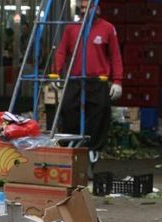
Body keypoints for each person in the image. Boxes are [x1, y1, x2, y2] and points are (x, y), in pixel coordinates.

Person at [54, 2, 123, 152]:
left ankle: (92, 151)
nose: (84, 11)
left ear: (97, 9)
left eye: (88, 8)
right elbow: (61, 52)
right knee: (67, 109)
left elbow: (115, 56)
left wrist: (118, 81)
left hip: (98, 81)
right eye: (82, 8)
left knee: (100, 113)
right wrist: (56, 73)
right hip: (75, 80)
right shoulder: (71, 29)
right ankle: (71, 148)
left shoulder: (108, 28)